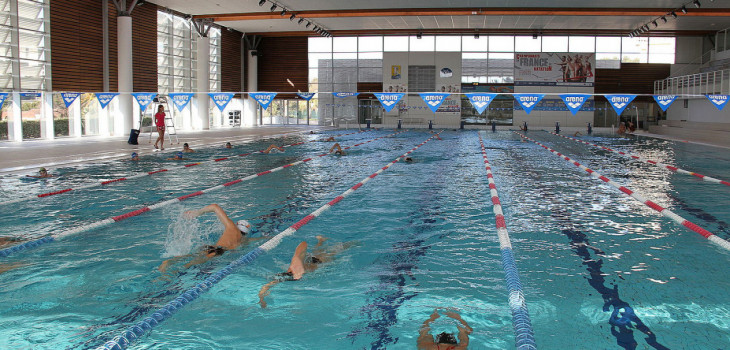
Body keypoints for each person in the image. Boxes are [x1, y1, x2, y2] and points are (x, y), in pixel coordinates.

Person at [158, 204, 264, 273]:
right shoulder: (243, 241)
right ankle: (171, 272)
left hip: (212, 248)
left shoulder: (232, 227)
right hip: (219, 251)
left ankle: (169, 262)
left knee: (188, 256)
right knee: (187, 266)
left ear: (237, 225)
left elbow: (215, 207)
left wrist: (199, 212)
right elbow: (259, 240)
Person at [258, 236, 354, 308]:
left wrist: (297, 258)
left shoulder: (295, 270)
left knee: (333, 252)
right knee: (318, 251)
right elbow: (267, 286)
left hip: (319, 262)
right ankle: (321, 241)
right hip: (311, 263)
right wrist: (261, 299)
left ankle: (349, 243)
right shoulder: (290, 275)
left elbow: (303, 244)